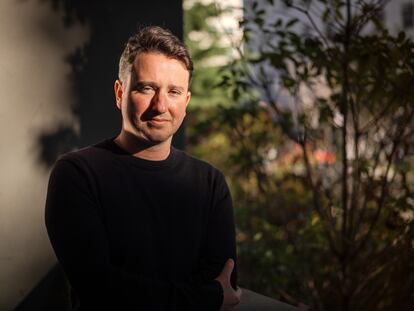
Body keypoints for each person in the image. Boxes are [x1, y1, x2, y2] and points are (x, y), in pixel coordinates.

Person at [45, 25, 241, 311]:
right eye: (146, 88)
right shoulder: (77, 175)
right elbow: (100, 288)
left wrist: (203, 295)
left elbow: (224, 283)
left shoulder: (210, 183)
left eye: (174, 91)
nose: (160, 105)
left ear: (185, 103)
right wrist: (204, 298)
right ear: (119, 92)